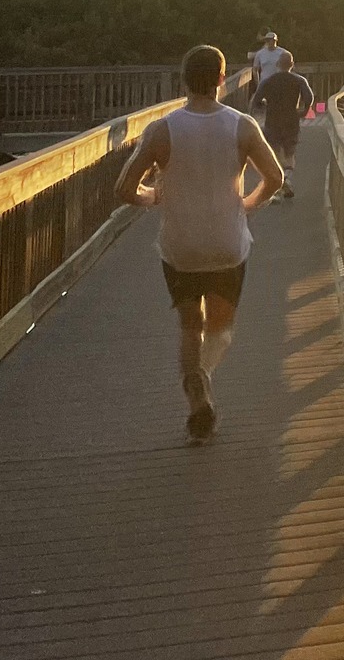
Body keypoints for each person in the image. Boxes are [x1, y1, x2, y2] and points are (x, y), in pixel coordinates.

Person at [115, 43, 284, 441]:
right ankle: (204, 374)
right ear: (222, 80)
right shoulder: (242, 125)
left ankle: (196, 392)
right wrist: (247, 205)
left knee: (191, 325)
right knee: (221, 328)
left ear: (184, 80)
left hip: (181, 248)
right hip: (228, 244)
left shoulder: (162, 130)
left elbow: (124, 187)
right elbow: (274, 177)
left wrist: (151, 197)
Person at [251, 50, 315, 200]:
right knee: (289, 153)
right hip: (291, 120)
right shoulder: (299, 80)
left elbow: (256, 100)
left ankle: (280, 183)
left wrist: (262, 108)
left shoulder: (268, 81)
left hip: (272, 121)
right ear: (292, 65)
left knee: (275, 153)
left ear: (277, 64)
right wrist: (304, 111)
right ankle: (286, 178)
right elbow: (309, 97)